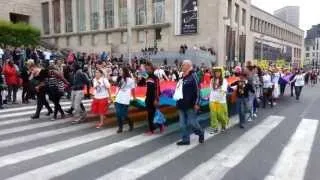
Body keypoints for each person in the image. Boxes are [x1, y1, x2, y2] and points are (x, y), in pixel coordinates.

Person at [175, 60, 204, 146]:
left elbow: (198, 90)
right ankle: (185, 139)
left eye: (183, 65)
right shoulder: (181, 76)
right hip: (181, 104)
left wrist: (197, 103)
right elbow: (178, 89)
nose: (182, 66)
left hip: (191, 105)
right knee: (182, 124)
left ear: (188, 66)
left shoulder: (193, 76)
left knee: (192, 123)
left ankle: (200, 133)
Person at [208, 67, 229, 134]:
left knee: (221, 115)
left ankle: (223, 125)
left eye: (218, 72)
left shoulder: (224, 80)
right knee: (213, 115)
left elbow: (224, 90)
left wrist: (221, 93)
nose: (217, 73)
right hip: (213, 100)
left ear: (221, 73)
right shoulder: (212, 80)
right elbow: (211, 89)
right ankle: (215, 128)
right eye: (216, 72)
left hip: (221, 101)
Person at [115, 67, 136, 133]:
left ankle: (131, 123)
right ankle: (120, 128)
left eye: (121, 70)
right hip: (119, 97)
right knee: (118, 113)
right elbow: (117, 88)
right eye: (119, 70)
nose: (120, 72)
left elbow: (133, 89)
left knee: (124, 114)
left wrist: (134, 97)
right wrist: (115, 96)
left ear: (125, 71)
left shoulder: (130, 80)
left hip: (126, 98)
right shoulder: (119, 79)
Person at [145, 61, 163, 134]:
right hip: (148, 98)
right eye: (146, 69)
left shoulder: (155, 78)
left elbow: (157, 89)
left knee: (154, 114)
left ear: (152, 69)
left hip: (154, 98)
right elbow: (142, 84)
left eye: (148, 69)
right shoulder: (147, 77)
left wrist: (156, 99)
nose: (147, 70)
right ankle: (152, 129)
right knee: (150, 114)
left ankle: (159, 125)